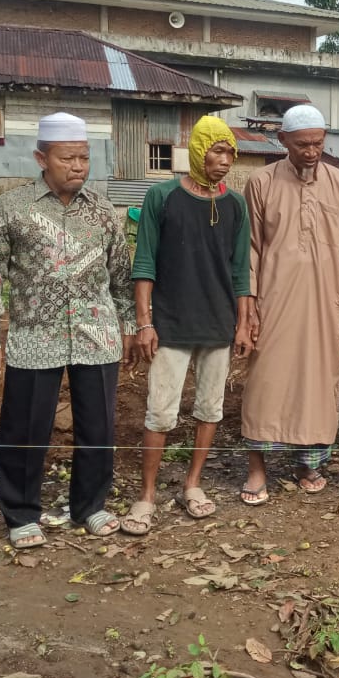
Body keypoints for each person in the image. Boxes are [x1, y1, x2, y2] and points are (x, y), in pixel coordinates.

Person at [0, 112, 135, 548]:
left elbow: (120, 274)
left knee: (98, 428)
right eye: (68, 158)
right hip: (33, 337)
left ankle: (90, 506)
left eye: (84, 158)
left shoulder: (103, 211)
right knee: (25, 428)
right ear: (42, 158)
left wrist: (131, 325)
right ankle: (21, 513)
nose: (79, 166)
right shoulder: (12, 208)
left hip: (96, 334)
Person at [120, 116, 252, 535]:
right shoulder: (162, 197)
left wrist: (244, 323)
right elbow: (144, 263)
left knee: (210, 408)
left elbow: (240, 273)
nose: (225, 161)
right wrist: (145, 323)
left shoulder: (235, 204)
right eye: (217, 151)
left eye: (230, 152)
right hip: (171, 324)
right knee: (160, 412)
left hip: (218, 324)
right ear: (197, 151)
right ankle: (147, 496)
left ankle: (192, 485)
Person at [239, 105, 339, 503]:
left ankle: (307, 463)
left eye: (318, 143)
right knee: (266, 379)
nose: (312, 151)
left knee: (317, 380)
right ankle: (257, 468)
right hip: (275, 298)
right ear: (283, 142)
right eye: (302, 144)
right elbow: (251, 249)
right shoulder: (260, 182)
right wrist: (249, 306)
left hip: (325, 297)